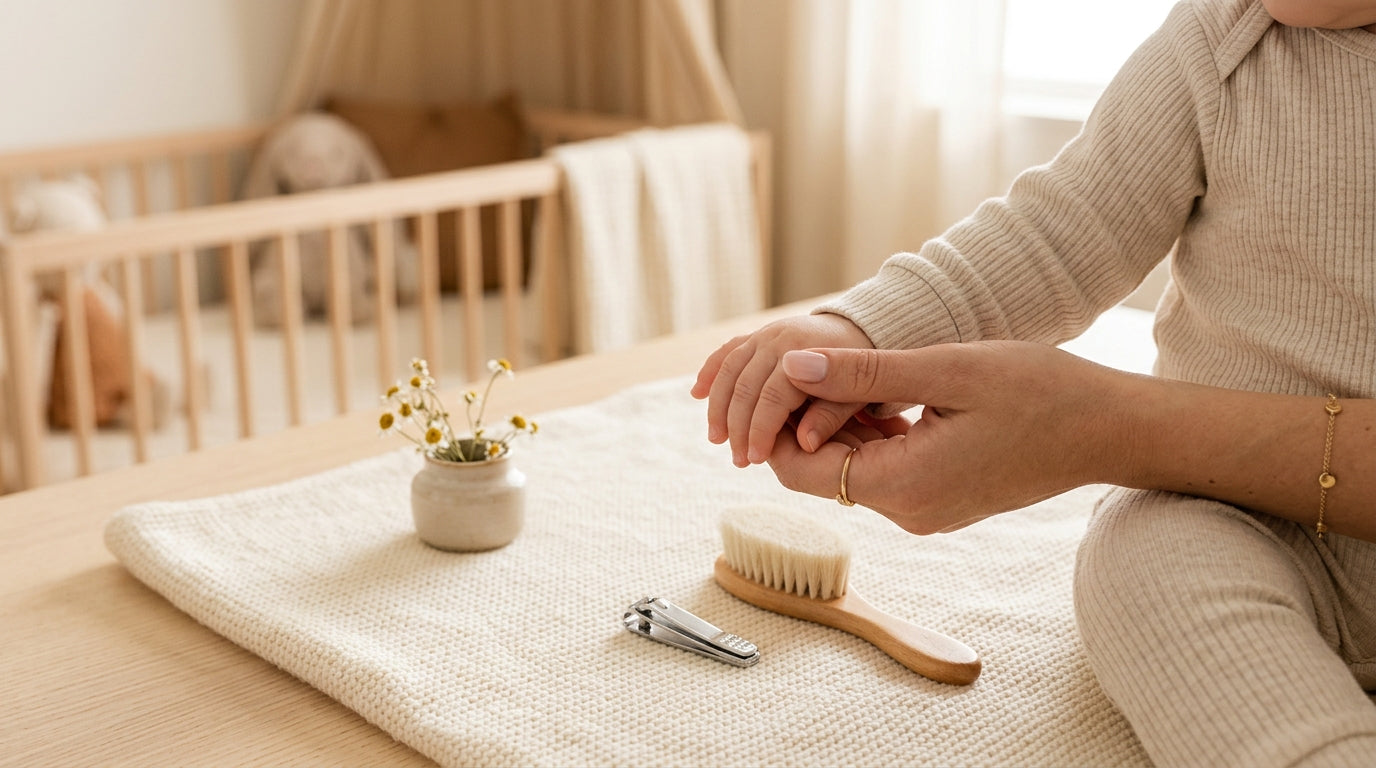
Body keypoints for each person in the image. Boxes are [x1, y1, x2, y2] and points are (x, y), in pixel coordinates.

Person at [692, 0, 1376, 765]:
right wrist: (864, 332)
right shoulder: (1223, 35)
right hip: (1238, 517)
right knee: (1140, 557)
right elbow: (1062, 230)